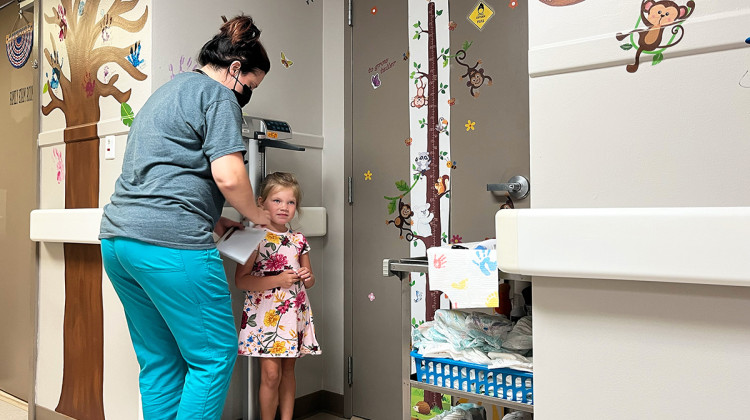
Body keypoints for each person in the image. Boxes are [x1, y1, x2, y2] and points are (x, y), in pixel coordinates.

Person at [99, 15, 272, 420]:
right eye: (250, 86)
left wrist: (214, 221)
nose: (246, 95)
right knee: (214, 357)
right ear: (234, 70)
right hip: (169, 246)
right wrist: (255, 213)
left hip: (118, 243)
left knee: (161, 360)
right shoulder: (219, 97)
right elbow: (229, 176)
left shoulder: (167, 92)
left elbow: (162, 174)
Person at [235, 172, 321, 420]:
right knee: (271, 375)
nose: (284, 207)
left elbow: (311, 280)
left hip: (293, 313)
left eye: (290, 202)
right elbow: (241, 280)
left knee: (288, 371)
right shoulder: (255, 238)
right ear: (261, 203)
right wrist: (278, 280)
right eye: (277, 201)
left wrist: (307, 276)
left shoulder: (298, 240)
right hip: (267, 317)